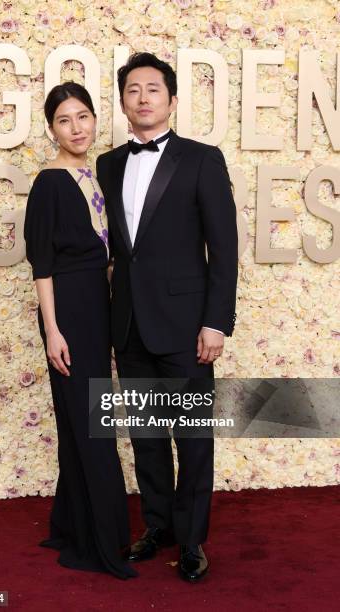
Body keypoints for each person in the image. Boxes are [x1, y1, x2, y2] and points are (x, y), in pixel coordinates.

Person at [96, 53, 238, 582]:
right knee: (147, 436)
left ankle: (194, 539)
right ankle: (158, 526)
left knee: (193, 438)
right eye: (133, 90)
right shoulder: (108, 165)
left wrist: (216, 322)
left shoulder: (202, 158)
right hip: (128, 323)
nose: (143, 98)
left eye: (153, 89)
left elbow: (223, 248)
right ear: (124, 102)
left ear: (171, 100)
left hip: (187, 325)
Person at [23, 81, 137, 580]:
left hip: (97, 304)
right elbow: (41, 264)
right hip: (67, 310)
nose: (77, 128)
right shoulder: (49, 182)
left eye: (84, 117)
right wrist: (53, 329)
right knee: (93, 423)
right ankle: (103, 543)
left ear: (95, 120)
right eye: (65, 120)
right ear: (52, 129)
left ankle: (75, 524)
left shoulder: (95, 175)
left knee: (82, 421)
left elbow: (106, 252)